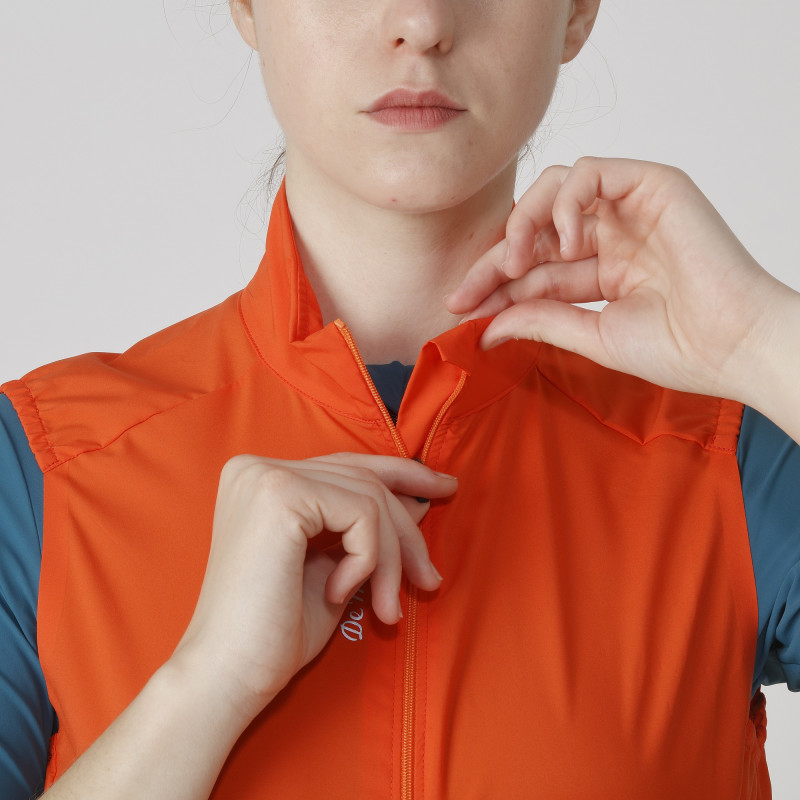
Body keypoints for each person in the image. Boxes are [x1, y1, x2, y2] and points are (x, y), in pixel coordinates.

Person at [1, 0, 799, 797]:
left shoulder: (732, 456)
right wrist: (205, 683)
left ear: (577, 12)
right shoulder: (39, 470)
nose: (421, 22)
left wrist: (759, 340)